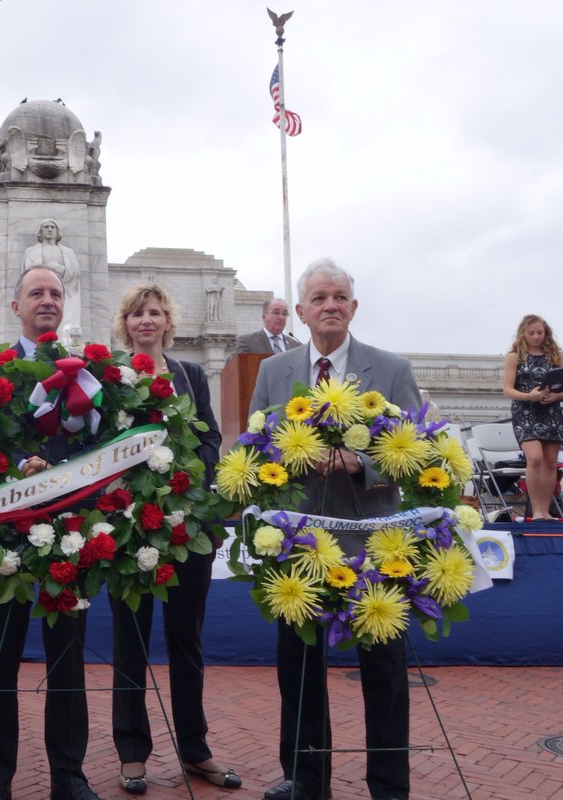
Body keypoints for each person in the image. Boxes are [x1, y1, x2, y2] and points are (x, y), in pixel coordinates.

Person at [249, 258, 421, 800]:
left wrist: (360, 463)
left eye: (339, 296)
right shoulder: (273, 374)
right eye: (319, 297)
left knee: (385, 672)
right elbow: (252, 452)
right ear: (299, 311)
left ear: (353, 306)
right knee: (298, 668)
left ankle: (389, 785)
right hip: (300, 548)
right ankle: (305, 777)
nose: (330, 305)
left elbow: (419, 454)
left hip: (377, 544)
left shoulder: (390, 370)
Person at [108, 282, 240, 794]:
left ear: (169, 322)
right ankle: (132, 751)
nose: (147, 320)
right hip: (129, 525)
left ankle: (195, 749)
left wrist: (186, 470)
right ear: (126, 323)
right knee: (130, 642)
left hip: (187, 526)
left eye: (156, 312)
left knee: (186, 642)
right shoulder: (112, 377)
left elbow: (210, 434)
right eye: (138, 313)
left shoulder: (187, 375)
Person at [0, 266, 100, 800]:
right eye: (36, 293)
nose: (47, 300)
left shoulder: (87, 374)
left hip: (69, 536)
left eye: (55, 292)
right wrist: (16, 471)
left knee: (68, 661)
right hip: (4, 537)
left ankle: (68, 775)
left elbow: (99, 447)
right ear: (15, 305)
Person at [502, 314, 563, 520]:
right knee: (535, 458)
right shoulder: (514, 356)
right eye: (531, 333)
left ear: (546, 333)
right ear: (523, 334)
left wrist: (558, 395)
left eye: (540, 332)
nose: (536, 337)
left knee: (549, 462)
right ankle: (535, 510)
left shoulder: (555, 356)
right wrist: (530, 396)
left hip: (551, 411)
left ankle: (545, 511)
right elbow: (508, 390)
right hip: (525, 412)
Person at [21, 220, 82, 336]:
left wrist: (62, 271)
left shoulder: (68, 252)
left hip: (63, 291)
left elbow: (75, 273)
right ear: (40, 231)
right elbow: (26, 275)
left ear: (57, 232)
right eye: (46, 227)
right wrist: (48, 269)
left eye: (52, 227)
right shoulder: (30, 252)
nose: (49, 229)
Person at [235, 298, 303, 354]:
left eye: (284, 314)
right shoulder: (247, 342)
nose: (281, 317)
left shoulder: (296, 345)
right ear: (264, 317)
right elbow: (233, 365)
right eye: (276, 313)